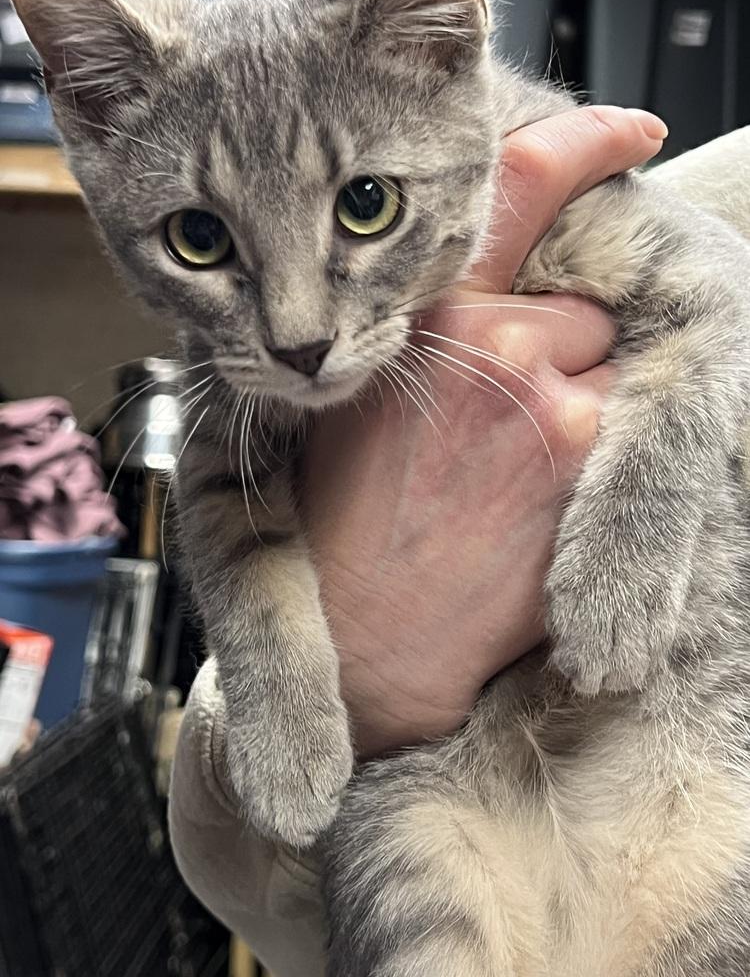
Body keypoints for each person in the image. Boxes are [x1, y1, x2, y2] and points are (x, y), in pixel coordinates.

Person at [168, 108, 750, 977]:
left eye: (364, 201)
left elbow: (710, 308)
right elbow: (240, 838)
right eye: (203, 236)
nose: (297, 329)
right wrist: (365, 675)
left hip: (672, 761)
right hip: (439, 796)